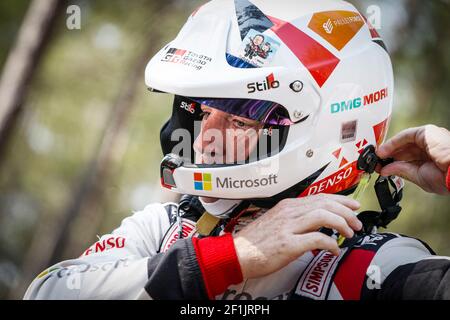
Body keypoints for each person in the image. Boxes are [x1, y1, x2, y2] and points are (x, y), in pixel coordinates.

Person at [24, 0, 450, 300]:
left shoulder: (374, 268)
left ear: (323, 132)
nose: (204, 137)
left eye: (240, 120)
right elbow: (48, 292)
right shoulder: (167, 229)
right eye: (199, 112)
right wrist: (231, 257)